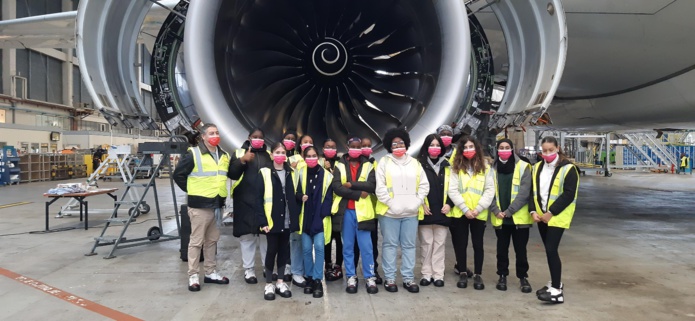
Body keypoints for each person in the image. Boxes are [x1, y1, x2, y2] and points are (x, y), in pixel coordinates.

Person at [173, 123, 231, 292]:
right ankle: (193, 275)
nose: (215, 135)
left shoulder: (224, 155)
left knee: (212, 240)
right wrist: (193, 191)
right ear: (203, 137)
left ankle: (210, 272)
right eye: (211, 133)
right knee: (196, 241)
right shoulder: (193, 154)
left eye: (217, 132)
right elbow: (178, 175)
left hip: (217, 205)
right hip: (200, 206)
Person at [375, 128, 430, 293]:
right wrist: (392, 204)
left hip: (411, 213)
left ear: (406, 144)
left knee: (409, 246)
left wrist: (417, 202)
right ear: (389, 146)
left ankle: (408, 278)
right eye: (394, 144)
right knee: (390, 245)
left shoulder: (415, 163)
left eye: (401, 143)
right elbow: (380, 188)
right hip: (390, 213)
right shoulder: (384, 163)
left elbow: (424, 185)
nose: (398, 146)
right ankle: (390, 278)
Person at [530, 136, 579, 304]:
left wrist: (551, 212)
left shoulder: (569, 169)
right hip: (542, 216)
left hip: (557, 216)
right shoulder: (536, 167)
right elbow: (533, 191)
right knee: (549, 250)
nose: (547, 153)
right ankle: (555, 282)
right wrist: (532, 212)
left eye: (551, 150)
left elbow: (568, 194)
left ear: (558, 148)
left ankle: (557, 291)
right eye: (544, 151)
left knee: (551, 249)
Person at [332, 137, 379, 294]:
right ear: (347, 147)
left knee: (366, 247)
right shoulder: (339, 165)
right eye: (353, 146)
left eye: (359, 147)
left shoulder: (368, 165)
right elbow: (337, 187)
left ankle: (369, 277)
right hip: (346, 212)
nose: (356, 149)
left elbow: (371, 186)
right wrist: (359, 194)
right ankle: (351, 276)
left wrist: (351, 184)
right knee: (348, 247)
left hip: (364, 213)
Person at [447, 135, 495, 290]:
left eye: (471, 147)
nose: (468, 150)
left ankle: (478, 274)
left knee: (478, 244)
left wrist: (478, 208)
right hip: (461, 213)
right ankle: (462, 272)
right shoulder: (456, 168)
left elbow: (489, 190)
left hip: (478, 213)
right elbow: (452, 190)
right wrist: (465, 209)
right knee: (461, 244)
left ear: (477, 148)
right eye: (465, 147)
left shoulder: (486, 168)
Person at [256, 142, 301, 300]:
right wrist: (263, 222)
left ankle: (280, 282)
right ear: (272, 154)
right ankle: (269, 283)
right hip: (272, 220)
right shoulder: (264, 172)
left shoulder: (291, 172)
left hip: (287, 220)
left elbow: (295, 195)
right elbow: (258, 199)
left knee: (283, 251)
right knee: (271, 250)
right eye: (278, 152)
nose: (281, 155)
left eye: (283, 152)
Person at [488, 139, 533, 293]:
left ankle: (523, 277)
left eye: (507, 148)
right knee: (502, 249)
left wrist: (509, 211)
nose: (504, 150)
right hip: (500, 218)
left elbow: (524, 193)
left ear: (512, 149)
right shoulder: (491, 169)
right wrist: (495, 209)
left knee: (521, 250)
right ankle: (502, 275)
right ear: (497, 150)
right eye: (501, 148)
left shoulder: (523, 167)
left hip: (518, 218)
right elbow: (488, 192)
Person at [229, 128, 272, 284]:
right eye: (255, 137)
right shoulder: (240, 153)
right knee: (247, 238)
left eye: (261, 137)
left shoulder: (268, 156)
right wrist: (242, 161)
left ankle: (268, 268)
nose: (258, 139)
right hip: (244, 201)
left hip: (263, 202)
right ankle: (249, 270)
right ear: (249, 138)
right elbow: (232, 173)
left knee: (265, 237)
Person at [296, 146, 334, 298]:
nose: (311, 158)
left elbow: (329, 197)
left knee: (319, 248)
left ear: (318, 157)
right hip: (305, 218)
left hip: (319, 218)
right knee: (306, 249)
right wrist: (300, 197)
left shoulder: (327, 175)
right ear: (304, 158)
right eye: (308, 156)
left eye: (313, 155)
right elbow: (295, 192)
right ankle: (309, 277)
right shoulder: (299, 173)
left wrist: (323, 214)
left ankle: (318, 279)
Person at [416, 134, 453, 288]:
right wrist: (421, 205)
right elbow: (414, 187)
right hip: (426, 211)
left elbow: (454, 187)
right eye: (432, 145)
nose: (435, 148)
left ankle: (438, 274)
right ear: (426, 147)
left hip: (443, 211)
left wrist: (450, 204)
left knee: (439, 244)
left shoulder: (448, 165)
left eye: (438, 145)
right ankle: (426, 274)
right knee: (426, 244)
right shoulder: (419, 165)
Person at [354, 137, 383, 284]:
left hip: (371, 210)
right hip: (356, 209)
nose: (365, 148)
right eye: (362, 146)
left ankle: (373, 270)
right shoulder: (354, 164)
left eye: (367, 145)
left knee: (371, 244)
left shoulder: (374, 164)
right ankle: (352, 272)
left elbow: (375, 185)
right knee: (354, 244)